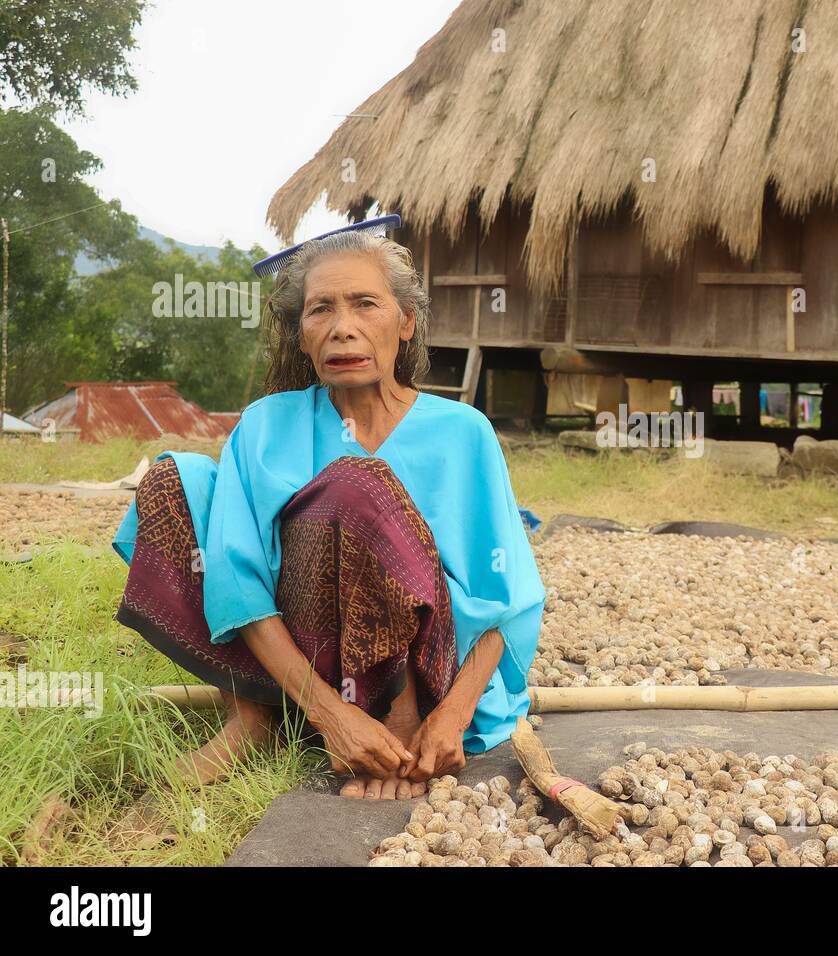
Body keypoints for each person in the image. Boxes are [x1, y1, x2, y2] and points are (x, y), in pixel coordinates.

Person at [112, 221, 544, 800]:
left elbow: (508, 597)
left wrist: (453, 716)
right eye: (320, 311)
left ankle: (397, 719)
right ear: (300, 336)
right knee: (176, 478)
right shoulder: (266, 424)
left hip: (429, 671)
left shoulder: (463, 433)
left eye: (366, 304)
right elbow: (238, 580)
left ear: (406, 323)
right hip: (303, 666)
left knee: (354, 485)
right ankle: (257, 717)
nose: (343, 329)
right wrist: (329, 715)